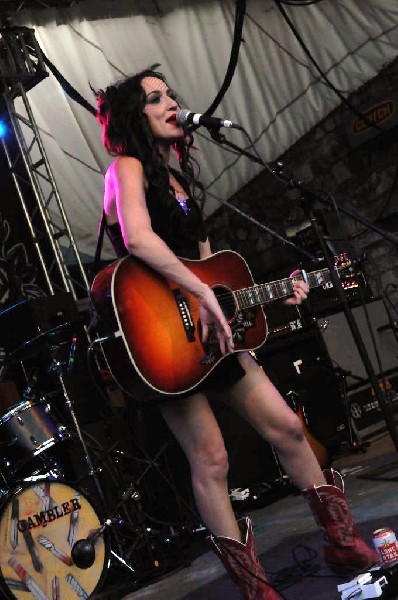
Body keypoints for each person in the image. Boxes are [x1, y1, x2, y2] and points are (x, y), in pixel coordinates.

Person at [94, 65, 378, 599]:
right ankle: (255, 588)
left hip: (209, 332)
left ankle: (340, 541)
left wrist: (265, 294)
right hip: (162, 335)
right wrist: (201, 294)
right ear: (136, 116)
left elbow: (211, 269)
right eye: (156, 99)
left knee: (288, 429)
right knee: (212, 458)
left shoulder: (179, 179)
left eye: (171, 93)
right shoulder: (124, 168)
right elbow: (137, 237)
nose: (171, 102)